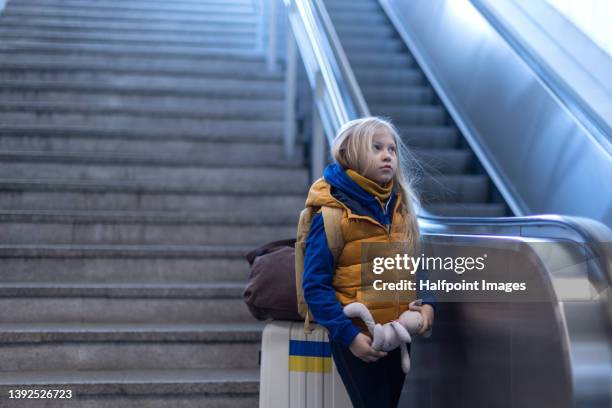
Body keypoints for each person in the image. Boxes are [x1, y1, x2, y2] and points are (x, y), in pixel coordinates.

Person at [302, 116, 435, 408]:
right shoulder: (333, 214)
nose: (387, 155)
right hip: (358, 338)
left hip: (400, 334)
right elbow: (314, 285)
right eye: (376, 148)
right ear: (350, 154)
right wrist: (349, 337)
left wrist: (428, 303)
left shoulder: (402, 207)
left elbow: (418, 262)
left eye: (392, 149)